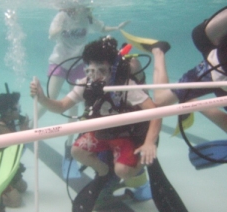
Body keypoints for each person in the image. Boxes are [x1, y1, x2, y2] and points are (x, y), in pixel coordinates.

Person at [30, 36, 161, 209]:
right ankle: (104, 172)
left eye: (101, 71)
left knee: (122, 171)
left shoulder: (124, 86)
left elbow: (156, 113)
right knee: (77, 150)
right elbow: (61, 106)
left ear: (113, 69)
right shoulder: (86, 84)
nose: (95, 77)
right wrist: (42, 97)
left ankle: (136, 167)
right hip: (101, 133)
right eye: (90, 71)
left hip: (125, 136)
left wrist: (149, 143)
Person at [37, 1, 130, 152]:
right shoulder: (62, 15)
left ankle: (69, 143)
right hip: (60, 61)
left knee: (74, 103)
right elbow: (52, 35)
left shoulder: (88, 17)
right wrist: (61, 28)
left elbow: (102, 29)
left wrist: (117, 28)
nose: (87, 7)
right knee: (51, 97)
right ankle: (27, 126)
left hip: (78, 62)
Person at [151, 6, 227, 133]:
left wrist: (194, 103)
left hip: (217, 60)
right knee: (160, 100)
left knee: (161, 100)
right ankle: (158, 51)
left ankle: (192, 100)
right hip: (214, 53)